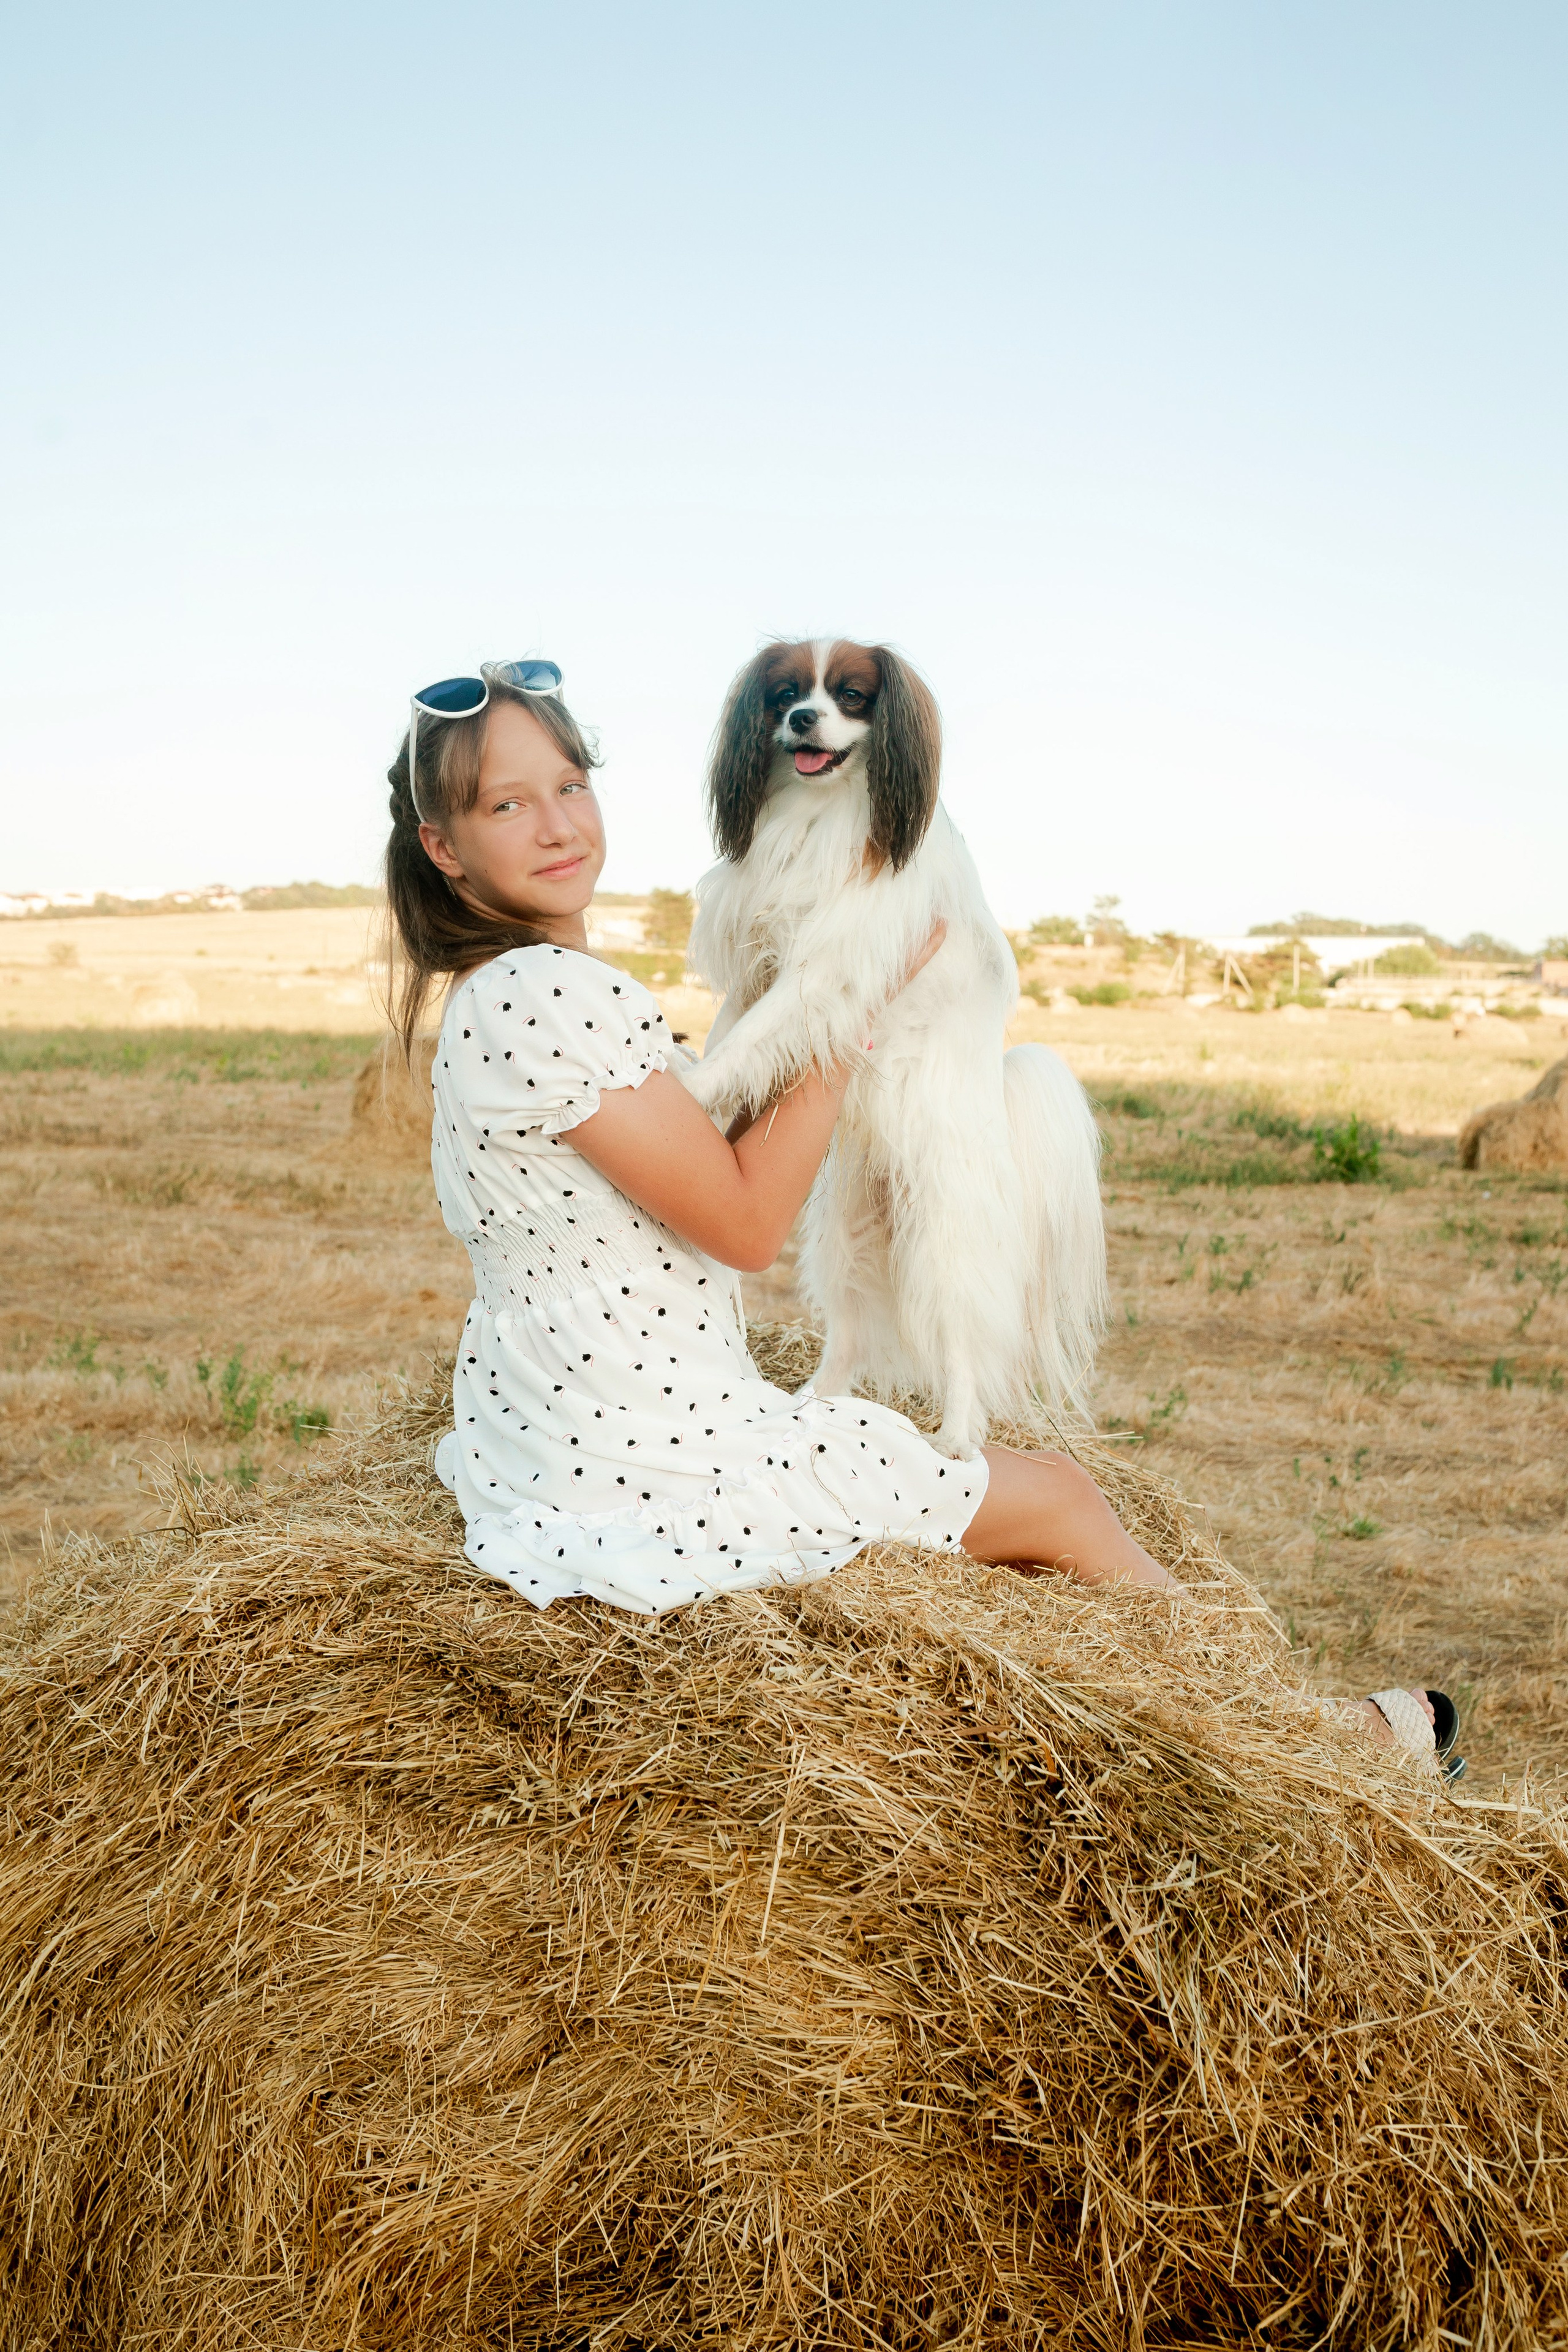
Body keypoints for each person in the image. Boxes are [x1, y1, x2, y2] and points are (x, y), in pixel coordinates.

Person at [382, 662, 1460, 1773]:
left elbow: (705, 1146)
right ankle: (1318, 1745)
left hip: (567, 1426)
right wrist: (862, 997)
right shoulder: (551, 994)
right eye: (508, 805)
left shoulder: (512, 993)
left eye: (571, 784)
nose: (559, 825)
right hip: (642, 1460)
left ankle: (1263, 1726)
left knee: (1000, 1496)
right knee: (1061, 1500)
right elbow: (747, 1223)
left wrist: (823, 977)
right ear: (445, 846)